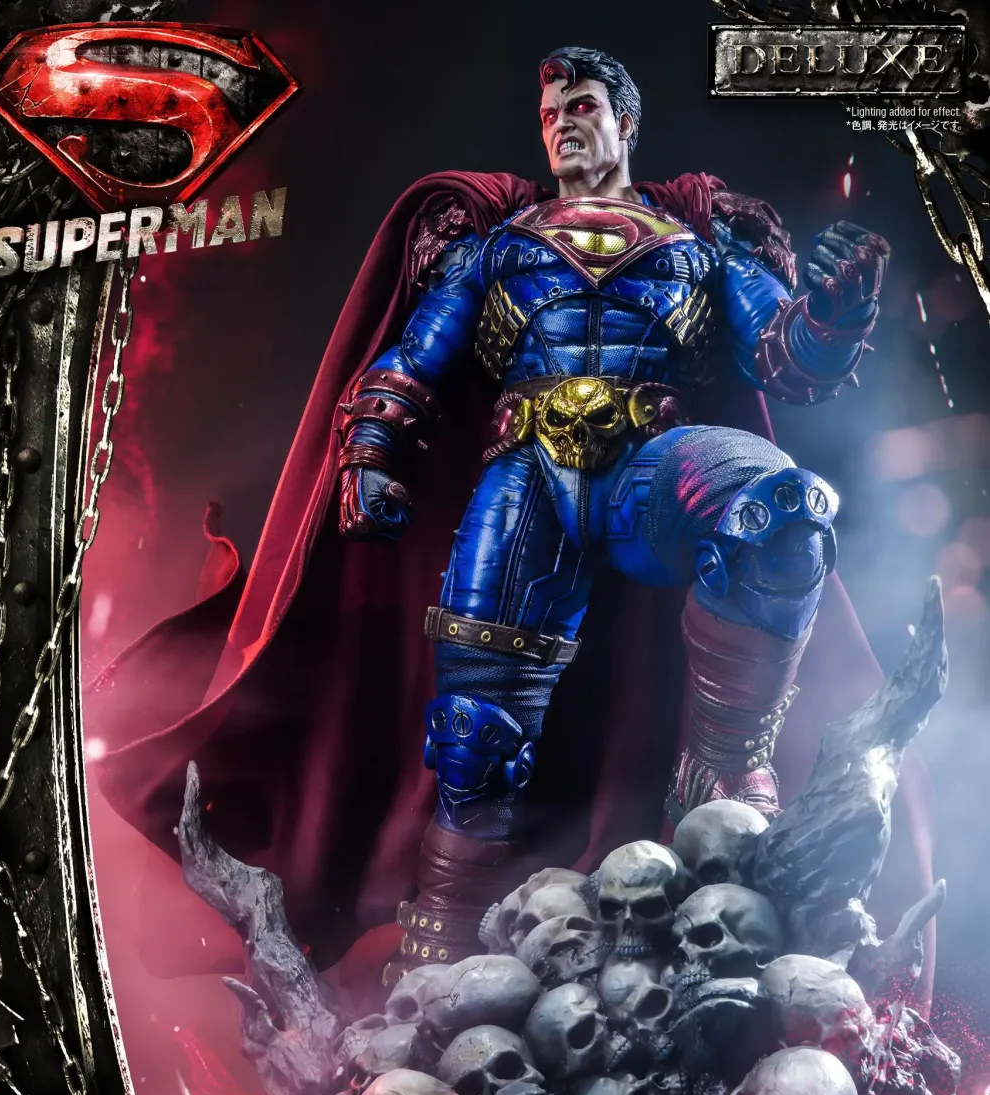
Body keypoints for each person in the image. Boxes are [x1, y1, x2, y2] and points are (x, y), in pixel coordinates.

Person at [332, 46, 888, 979]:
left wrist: (833, 319)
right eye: (551, 115)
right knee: (472, 739)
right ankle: (440, 962)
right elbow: (415, 358)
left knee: (784, 514)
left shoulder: (699, 247)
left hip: (651, 472)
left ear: (627, 122)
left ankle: (722, 776)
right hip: (526, 477)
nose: (563, 125)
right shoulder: (496, 246)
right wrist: (371, 450)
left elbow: (783, 360)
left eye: (582, 106)